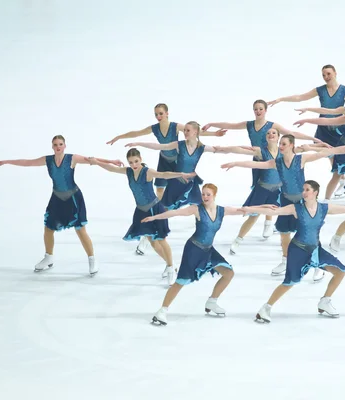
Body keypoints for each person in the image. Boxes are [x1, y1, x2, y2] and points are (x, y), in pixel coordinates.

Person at [106, 104, 225, 256]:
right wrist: (120, 137)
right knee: (159, 195)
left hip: (176, 163)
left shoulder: (176, 127)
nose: (159, 116)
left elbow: (197, 133)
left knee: (184, 195)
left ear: (167, 113)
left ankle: (202, 222)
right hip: (163, 161)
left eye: (161, 113)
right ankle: (154, 227)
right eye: (156, 114)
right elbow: (137, 132)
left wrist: (215, 134)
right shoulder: (154, 128)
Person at [0, 135, 123, 275]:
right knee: (48, 229)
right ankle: (48, 257)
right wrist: (7, 161)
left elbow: (92, 159)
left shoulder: (72, 158)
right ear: (52, 146)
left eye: (60, 144)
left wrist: (111, 161)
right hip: (56, 199)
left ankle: (92, 260)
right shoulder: (48, 160)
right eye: (55, 144)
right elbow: (27, 162)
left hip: (73, 198)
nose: (58, 146)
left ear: (65, 146)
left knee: (80, 230)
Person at [243, 180, 345, 323]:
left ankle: (325, 301)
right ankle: (266, 308)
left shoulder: (324, 208)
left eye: (307, 189)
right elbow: (274, 210)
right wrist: (251, 209)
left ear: (315, 193)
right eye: (303, 189)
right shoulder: (296, 208)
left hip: (315, 249)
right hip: (298, 250)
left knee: (340, 271)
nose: (304, 192)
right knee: (290, 281)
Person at [221, 134, 340, 281]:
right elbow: (257, 165)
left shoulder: (300, 159)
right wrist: (236, 163)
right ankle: (285, 261)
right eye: (280, 144)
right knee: (284, 234)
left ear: (291, 145)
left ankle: (317, 265)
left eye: (284, 144)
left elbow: (323, 154)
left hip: (301, 203)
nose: (281, 146)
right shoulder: (277, 162)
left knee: (308, 234)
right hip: (286, 201)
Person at [202, 99, 322, 238]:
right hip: (258, 157)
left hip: (274, 157)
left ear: (265, 110)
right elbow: (232, 125)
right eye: (256, 109)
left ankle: (269, 223)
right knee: (263, 188)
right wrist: (212, 124)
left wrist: (314, 139)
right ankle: (266, 219)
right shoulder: (249, 125)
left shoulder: (272, 126)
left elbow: (291, 133)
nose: (258, 111)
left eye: (260, 109)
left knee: (275, 186)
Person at [85, 148, 196, 285]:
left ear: (141, 159)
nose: (134, 165)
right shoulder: (128, 172)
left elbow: (163, 174)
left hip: (155, 209)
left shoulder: (147, 172)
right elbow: (111, 168)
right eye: (131, 162)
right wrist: (96, 162)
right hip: (141, 211)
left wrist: (180, 174)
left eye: (136, 161)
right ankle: (170, 265)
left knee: (161, 240)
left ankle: (171, 269)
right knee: (153, 243)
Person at [147, 184, 246, 326]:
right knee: (180, 282)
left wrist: (265, 207)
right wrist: (154, 217)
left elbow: (244, 210)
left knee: (229, 273)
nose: (205, 197)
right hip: (193, 249)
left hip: (208, 250)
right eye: (203, 194)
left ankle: (212, 302)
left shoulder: (222, 211)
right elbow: (175, 213)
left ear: (214, 195)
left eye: (208, 194)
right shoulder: (196, 209)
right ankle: (161, 311)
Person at [267, 65, 345, 197]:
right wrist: (281, 99)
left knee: (340, 155)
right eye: (324, 75)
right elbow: (300, 97)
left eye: (328, 74)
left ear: (335, 73)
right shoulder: (320, 90)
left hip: (340, 128)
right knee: (329, 154)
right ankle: (341, 180)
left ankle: (342, 180)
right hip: (324, 127)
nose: (326, 77)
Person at [126, 121, 222, 211]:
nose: (185, 132)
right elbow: (160, 146)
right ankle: (159, 222)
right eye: (184, 130)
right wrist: (139, 143)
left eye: (187, 130)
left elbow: (221, 149)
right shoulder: (179, 144)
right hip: (177, 180)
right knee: (167, 206)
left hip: (191, 181)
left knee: (197, 204)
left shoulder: (201, 147)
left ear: (195, 132)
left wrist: (233, 148)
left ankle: (203, 222)